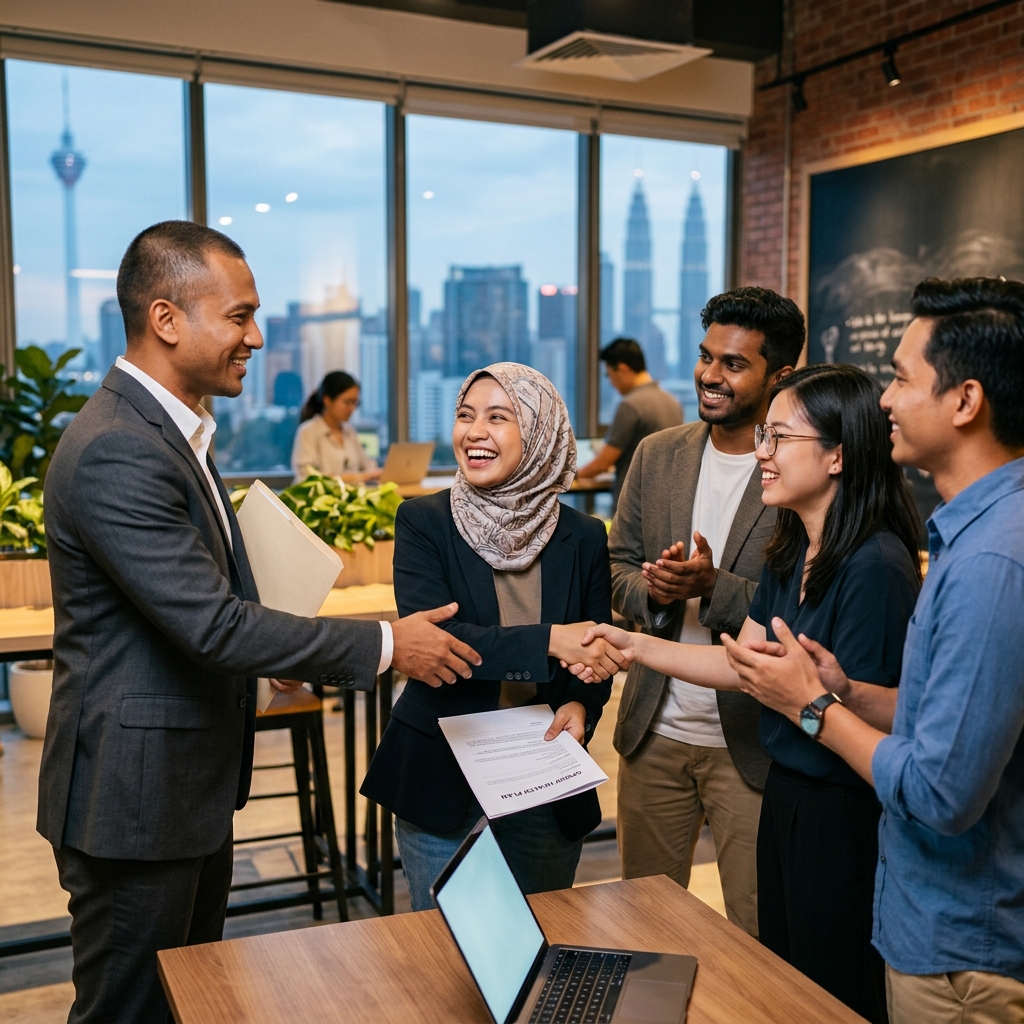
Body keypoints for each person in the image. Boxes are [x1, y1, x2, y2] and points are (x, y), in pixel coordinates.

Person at [39, 220, 481, 1024]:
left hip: (177, 791)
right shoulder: (118, 447)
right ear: (167, 319)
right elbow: (210, 624)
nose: (257, 335)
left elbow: (200, 607)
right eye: (239, 316)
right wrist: (389, 643)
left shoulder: (176, 433)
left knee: (183, 998)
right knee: (128, 1011)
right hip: (133, 800)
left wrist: (268, 654)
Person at [722, 277, 1024, 1024]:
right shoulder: (971, 535)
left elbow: (940, 793)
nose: (883, 400)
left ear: (965, 401)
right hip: (928, 921)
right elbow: (940, 723)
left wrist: (815, 707)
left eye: (899, 377)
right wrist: (848, 693)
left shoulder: (992, 561)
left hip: (962, 952)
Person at [585, 364, 922, 1022]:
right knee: (788, 978)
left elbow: (870, 718)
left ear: (837, 455)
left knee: (832, 991)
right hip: (788, 795)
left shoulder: (876, 564)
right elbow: (749, 666)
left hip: (843, 815)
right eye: (764, 435)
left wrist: (808, 700)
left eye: (779, 438)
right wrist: (635, 646)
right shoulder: (792, 548)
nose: (761, 453)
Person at [361, 362, 624, 910]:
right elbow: (441, 644)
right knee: (443, 951)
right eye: (465, 416)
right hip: (442, 771)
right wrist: (551, 640)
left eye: (498, 417)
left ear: (540, 433)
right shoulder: (423, 522)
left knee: (546, 938)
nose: (474, 431)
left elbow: (595, 649)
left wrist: (581, 703)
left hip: (544, 771)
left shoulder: (583, 536)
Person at [608, 287, 804, 939]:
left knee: (755, 934)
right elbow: (617, 569)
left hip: (750, 743)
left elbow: (802, 609)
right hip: (653, 732)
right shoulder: (657, 454)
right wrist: (658, 590)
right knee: (645, 927)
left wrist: (713, 585)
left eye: (733, 364)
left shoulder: (801, 471)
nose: (710, 376)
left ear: (779, 376)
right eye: (705, 357)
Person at [576, 337, 682, 506]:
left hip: (635, 503)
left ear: (623, 369)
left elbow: (603, 463)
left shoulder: (631, 405)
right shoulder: (672, 402)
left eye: (609, 375)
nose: (611, 383)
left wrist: (572, 476)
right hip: (666, 501)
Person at [291, 370, 380, 483]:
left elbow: (367, 465)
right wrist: (361, 477)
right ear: (327, 400)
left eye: (355, 403)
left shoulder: (349, 431)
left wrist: (376, 473)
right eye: (348, 402)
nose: (352, 409)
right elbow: (307, 478)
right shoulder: (308, 431)